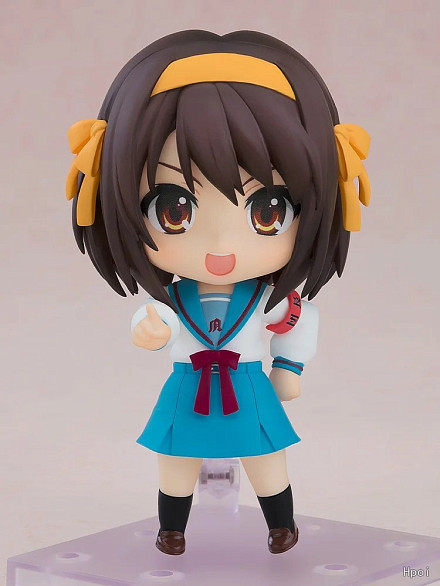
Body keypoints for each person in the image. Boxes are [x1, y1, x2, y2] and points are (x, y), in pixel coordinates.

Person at [66, 30, 370, 555]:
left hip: (248, 385)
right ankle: (172, 528)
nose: (222, 247)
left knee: (266, 457)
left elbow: (301, 320)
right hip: (188, 386)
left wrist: (289, 368)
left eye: (268, 212)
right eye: (173, 210)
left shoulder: (265, 301)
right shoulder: (173, 299)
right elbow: (153, 323)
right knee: (174, 460)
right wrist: (148, 330)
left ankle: (281, 524)